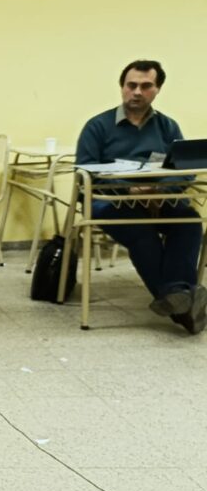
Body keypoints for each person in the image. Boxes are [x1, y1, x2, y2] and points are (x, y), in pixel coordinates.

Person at [75, 60, 205, 334]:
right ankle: (182, 300)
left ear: (157, 89)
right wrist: (128, 189)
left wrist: (161, 191)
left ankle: (176, 296)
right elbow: (85, 172)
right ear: (122, 87)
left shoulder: (167, 127)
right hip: (111, 201)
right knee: (142, 233)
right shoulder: (97, 126)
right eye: (131, 85)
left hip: (162, 200)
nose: (137, 92)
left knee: (190, 223)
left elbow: (183, 170)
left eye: (145, 86)